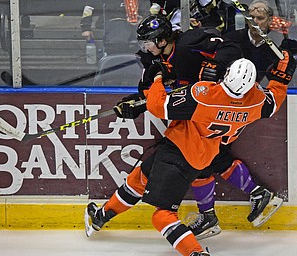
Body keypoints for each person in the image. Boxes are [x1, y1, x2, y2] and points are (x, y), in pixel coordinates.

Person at [85, 51, 295, 255]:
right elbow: (274, 100)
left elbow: (160, 107)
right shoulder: (257, 101)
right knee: (140, 178)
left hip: (178, 153)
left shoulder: (205, 94)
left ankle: (195, 253)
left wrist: (156, 79)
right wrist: (281, 78)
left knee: (162, 216)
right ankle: (101, 216)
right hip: (203, 157)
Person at [223, 0, 297, 84]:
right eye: (251, 18)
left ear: (270, 20)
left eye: (260, 18)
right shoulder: (230, 40)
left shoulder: (279, 45)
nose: (255, 22)